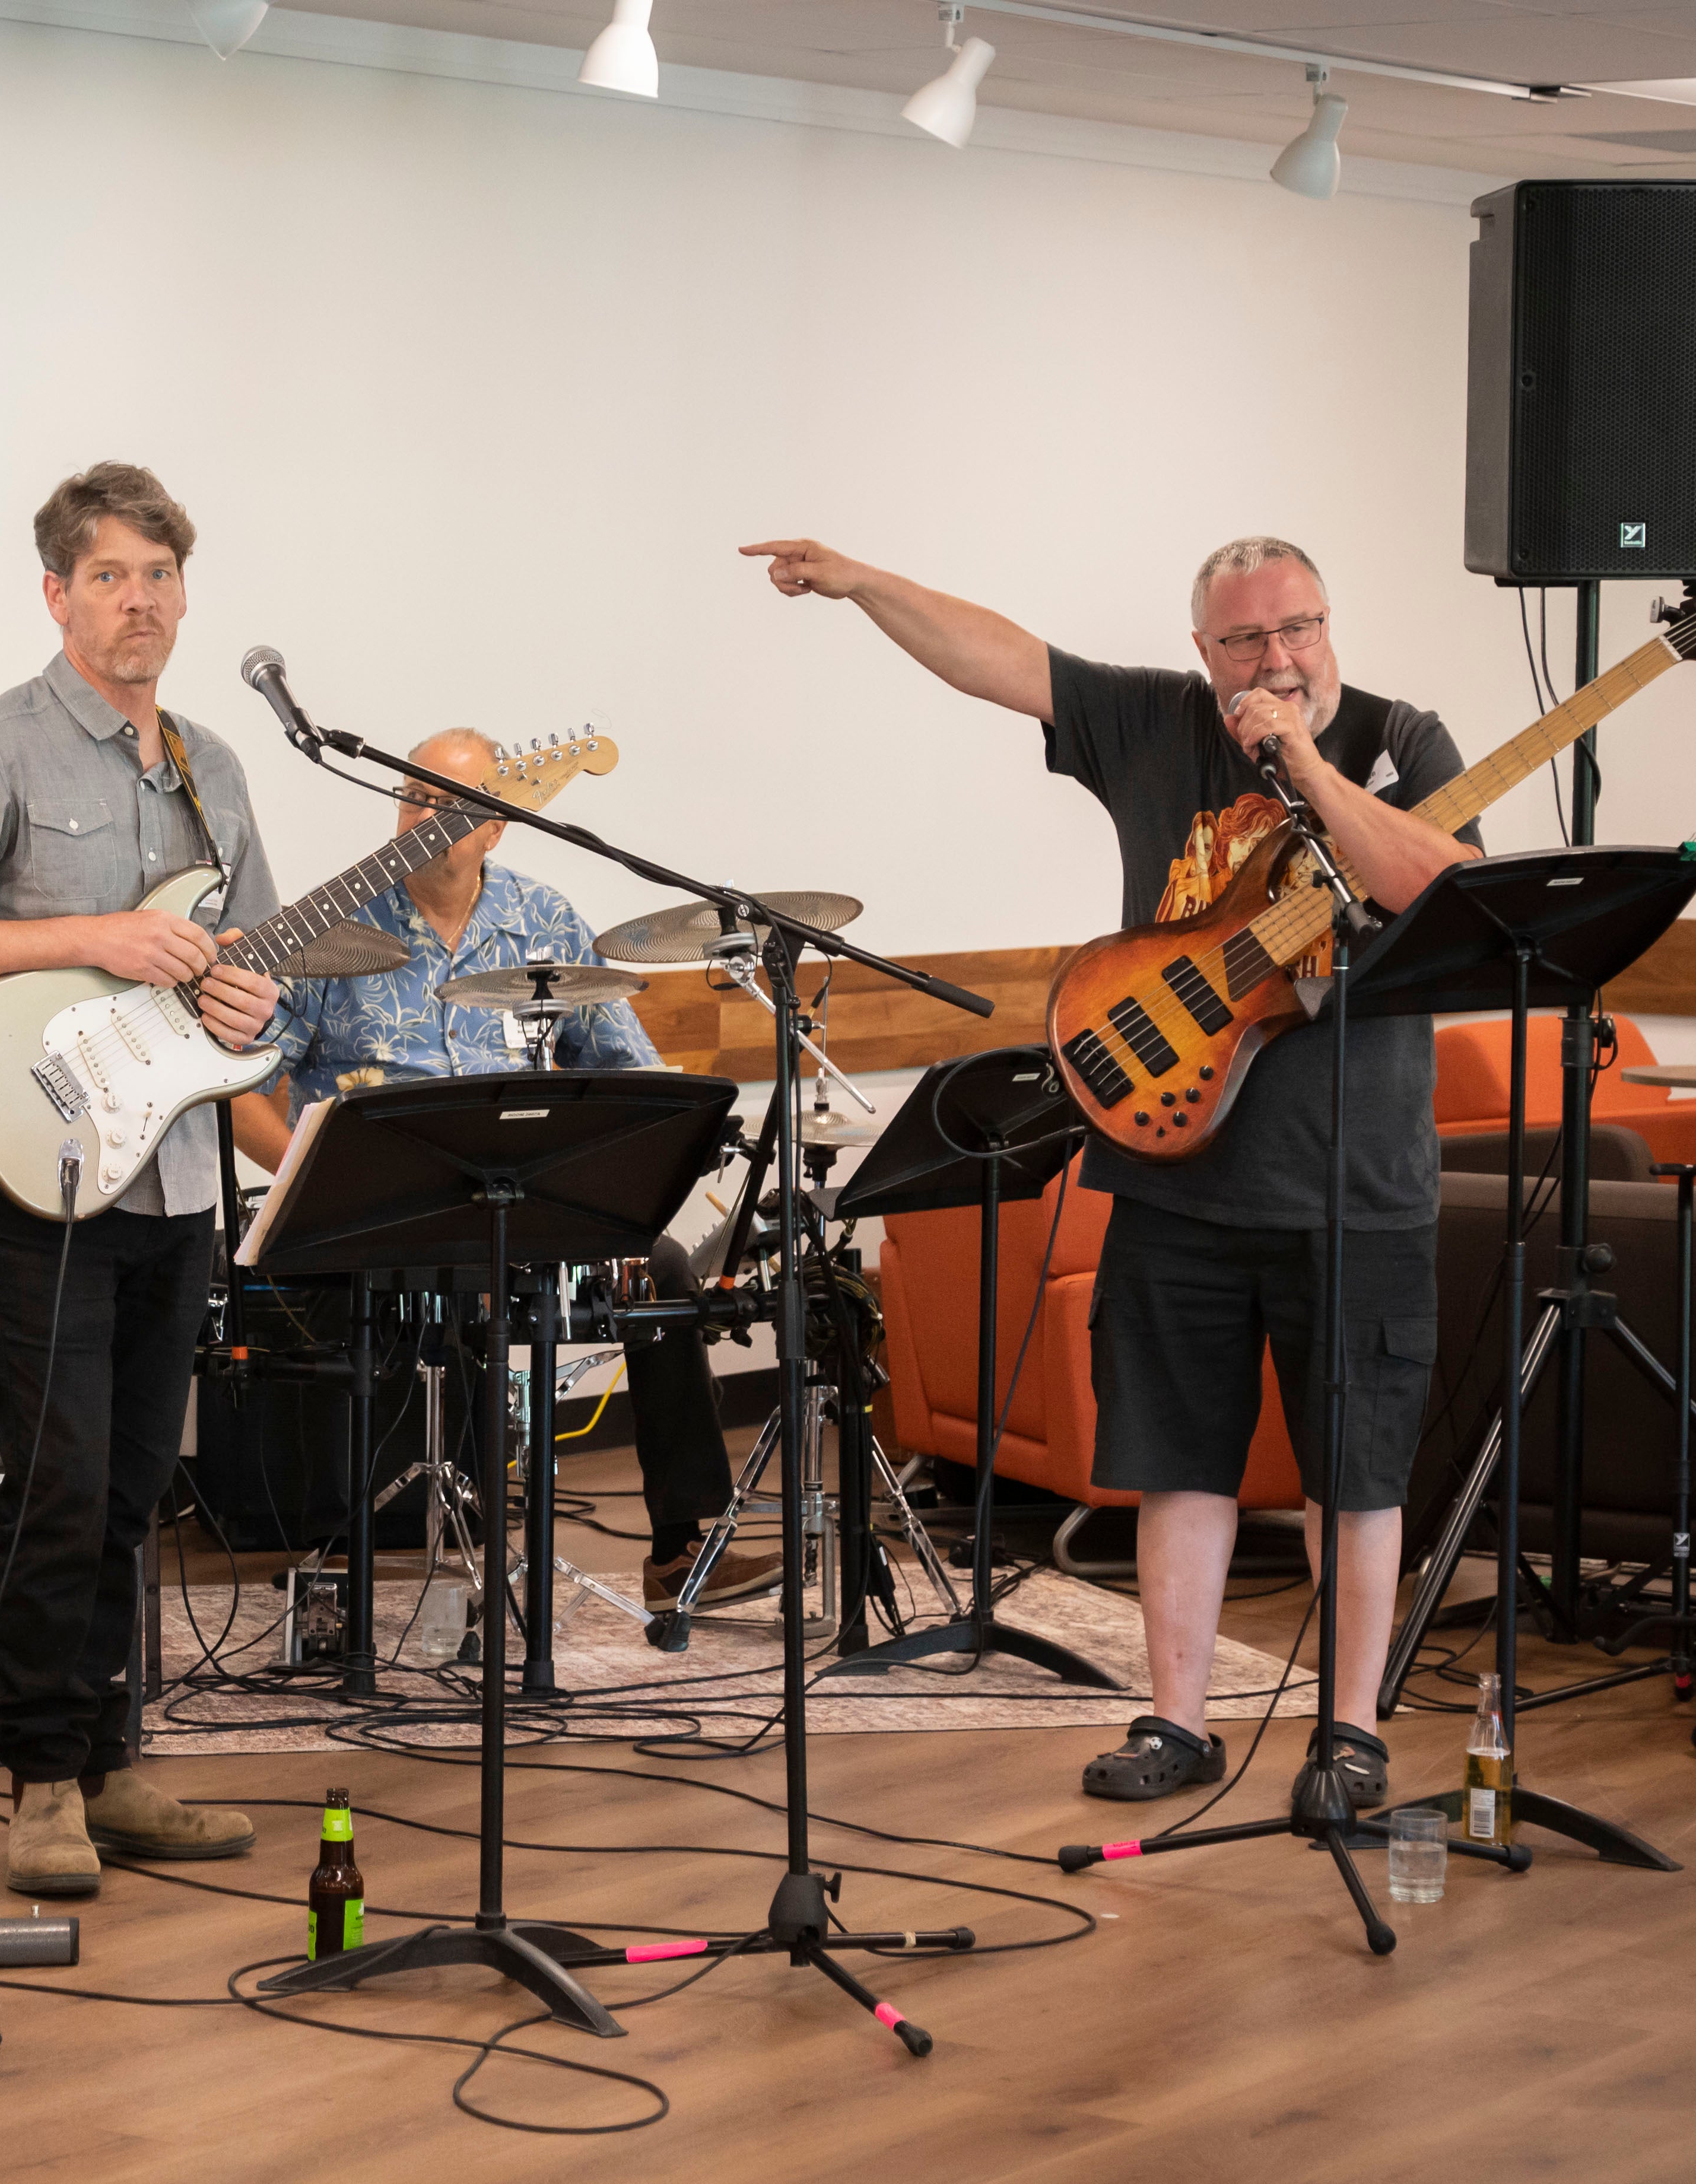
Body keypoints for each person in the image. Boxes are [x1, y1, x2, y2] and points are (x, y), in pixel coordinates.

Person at [746, 532, 1477, 1804]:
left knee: (1353, 1478)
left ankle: (1350, 1732)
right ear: (1204, 652)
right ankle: (1175, 1722)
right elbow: (1000, 657)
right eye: (1244, 638)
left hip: (1354, 1183)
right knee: (1175, 1459)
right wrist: (865, 583)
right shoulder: (1153, 720)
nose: (1275, 657)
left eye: (1295, 627)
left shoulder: (1406, 743)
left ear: (1328, 625)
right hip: (1171, 1166)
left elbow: (1443, 889)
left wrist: (1305, 762)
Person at [0, 462, 280, 1897]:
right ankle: (38, 1779)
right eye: (109, 577)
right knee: (55, 1483)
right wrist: (99, 937)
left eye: (159, 576)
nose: (139, 603)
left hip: (174, 1173)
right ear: (56, 594)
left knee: (129, 1488)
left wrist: (247, 1008)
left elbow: (254, 963)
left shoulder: (213, 765)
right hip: (33, 1175)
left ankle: (110, 1765)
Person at [230, 728, 773, 1611]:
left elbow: (625, 1072)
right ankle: (364, 1549)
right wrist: (308, 1174)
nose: (426, 820)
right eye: (413, 800)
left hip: (517, 1205)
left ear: (497, 829)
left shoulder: (544, 919)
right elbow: (238, 1088)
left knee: (663, 1273)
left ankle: (684, 1551)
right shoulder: (331, 929)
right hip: (380, 1219)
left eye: (453, 807)